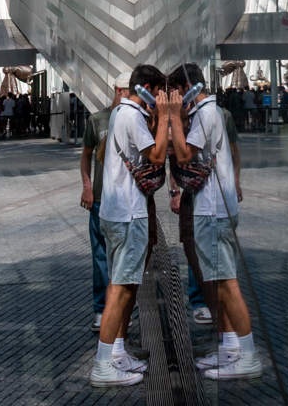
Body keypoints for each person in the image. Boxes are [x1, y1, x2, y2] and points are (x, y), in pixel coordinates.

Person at [169, 64, 261, 382]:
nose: (172, 97)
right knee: (220, 284)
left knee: (227, 285)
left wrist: (173, 117)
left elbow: (184, 155)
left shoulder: (207, 114)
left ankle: (248, 356)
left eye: (175, 91)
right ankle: (231, 347)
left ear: (188, 88)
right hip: (214, 209)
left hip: (214, 211)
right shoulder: (208, 112)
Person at [89, 64, 170, 387]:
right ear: (147, 89)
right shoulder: (133, 116)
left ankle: (117, 352)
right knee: (121, 289)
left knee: (119, 285)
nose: (161, 97)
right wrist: (165, 117)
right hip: (128, 213)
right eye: (159, 91)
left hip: (114, 211)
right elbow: (157, 156)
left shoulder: (119, 113)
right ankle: (103, 365)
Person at [80, 72, 131, 332]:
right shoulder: (97, 119)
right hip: (100, 198)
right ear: (119, 91)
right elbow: (86, 155)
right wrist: (87, 187)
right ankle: (101, 309)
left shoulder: (137, 119)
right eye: (130, 91)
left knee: (126, 258)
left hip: (127, 200)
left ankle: (121, 308)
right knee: (101, 256)